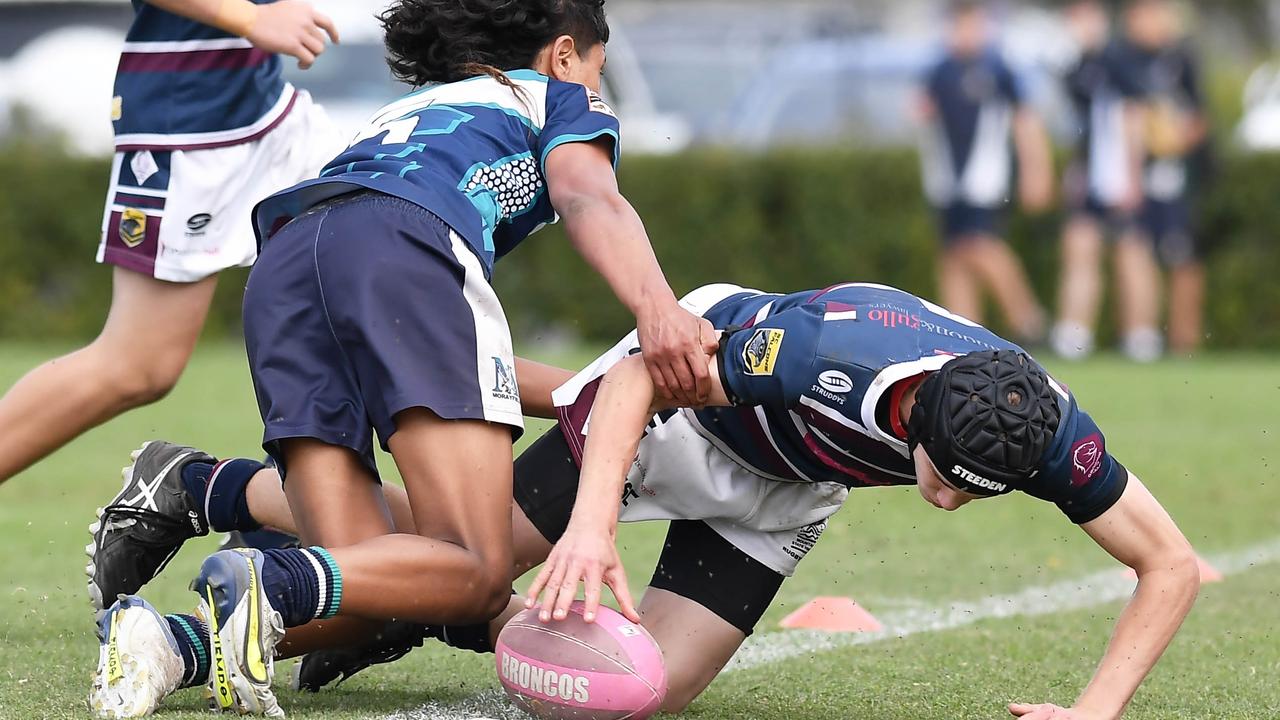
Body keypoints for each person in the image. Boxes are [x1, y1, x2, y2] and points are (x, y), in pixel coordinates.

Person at [91, 282, 1199, 719]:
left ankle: (437, 613)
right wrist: (584, 525)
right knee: (457, 554)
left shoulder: (1039, 426)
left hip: (783, 483)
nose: (951, 505)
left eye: (982, 492)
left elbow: (1170, 565)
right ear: (910, 418)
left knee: (638, 692)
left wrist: (1091, 715)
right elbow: (631, 379)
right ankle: (197, 486)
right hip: (671, 413)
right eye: (946, 479)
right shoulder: (810, 355)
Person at [88, 0, 715, 716]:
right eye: (599, 68)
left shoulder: (414, 113)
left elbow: (458, 352)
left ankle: (163, 642)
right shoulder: (554, 96)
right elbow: (587, 195)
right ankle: (262, 577)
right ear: (565, 54)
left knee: (366, 589)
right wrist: (660, 310)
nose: (598, 87)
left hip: (289, 262)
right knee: (475, 572)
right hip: (400, 250)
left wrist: (606, 389)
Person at [0, 0, 342, 485]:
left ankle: (280, 523)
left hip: (267, 104)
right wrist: (250, 17)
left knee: (365, 288)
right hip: (191, 122)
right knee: (137, 367)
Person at [916, 0, 1054, 344]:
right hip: (948, 182)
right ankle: (963, 334)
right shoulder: (939, 71)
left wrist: (1036, 171)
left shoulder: (998, 69)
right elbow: (926, 118)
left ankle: (1028, 319)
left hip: (985, 179)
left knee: (982, 246)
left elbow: (1026, 122)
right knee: (953, 254)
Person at [1050, 0, 1159, 362]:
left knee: (1131, 250)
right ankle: (1074, 333)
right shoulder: (1078, 65)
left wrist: (1131, 175)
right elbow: (1082, 129)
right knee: (1080, 247)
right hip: (1091, 176)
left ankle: (1141, 335)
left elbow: (1133, 117)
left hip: (1116, 175)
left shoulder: (1117, 60)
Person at [1120, 0, 1211, 358]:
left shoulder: (1182, 59)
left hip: (1178, 179)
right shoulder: (1123, 61)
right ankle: (1141, 337)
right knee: (1137, 250)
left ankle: (1184, 341)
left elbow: (1199, 119)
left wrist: (1175, 138)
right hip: (1141, 177)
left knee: (1182, 256)